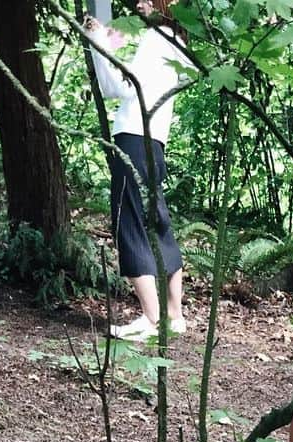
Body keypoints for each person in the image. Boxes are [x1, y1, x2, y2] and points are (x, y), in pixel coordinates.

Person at [86, 0, 188, 343]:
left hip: (133, 139)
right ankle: (174, 316)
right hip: (155, 143)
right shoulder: (176, 42)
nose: (140, 3)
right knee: (158, 223)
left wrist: (99, 42)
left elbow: (118, 89)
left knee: (128, 223)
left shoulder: (153, 39)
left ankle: (152, 318)